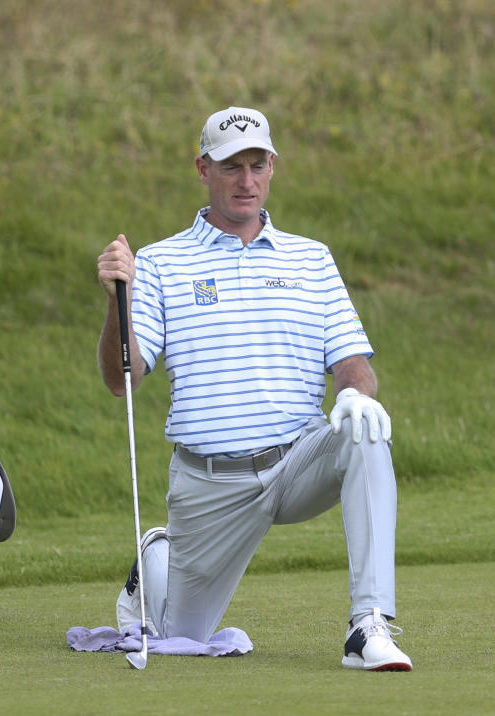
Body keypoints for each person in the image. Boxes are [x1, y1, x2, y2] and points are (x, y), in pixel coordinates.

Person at [95, 107, 412, 671]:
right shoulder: (162, 263)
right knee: (182, 635)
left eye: (256, 165)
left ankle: (369, 626)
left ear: (272, 167)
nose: (246, 181)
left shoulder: (311, 259)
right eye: (230, 166)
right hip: (209, 483)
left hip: (297, 460)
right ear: (202, 169)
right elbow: (124, 377)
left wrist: (353, 395)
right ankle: (157, 557)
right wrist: (118, 298)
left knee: (365, 431)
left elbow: (352, 361)